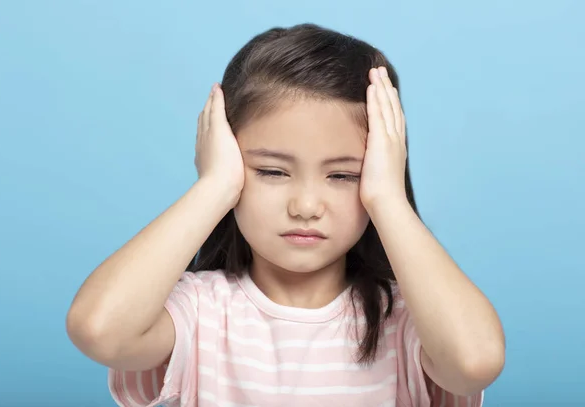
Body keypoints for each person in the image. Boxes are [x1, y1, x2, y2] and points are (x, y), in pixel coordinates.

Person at [66, 23, 505, 406]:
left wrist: (389, 199)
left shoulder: (409, 320)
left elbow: (475, 361)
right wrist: (213, 186)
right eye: (272, 171)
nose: (306, 207)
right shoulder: (200, 312)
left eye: (343, 176)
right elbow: (100, 329)